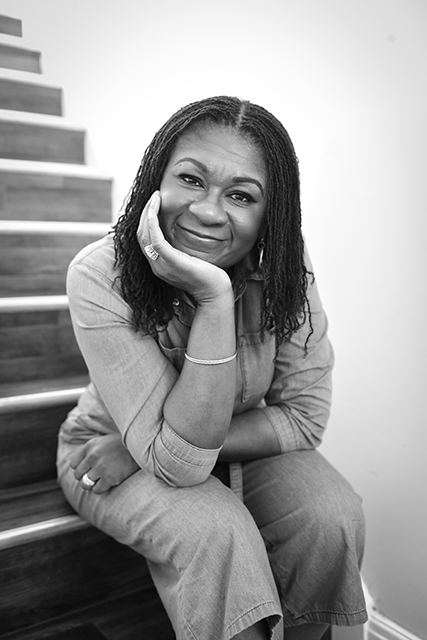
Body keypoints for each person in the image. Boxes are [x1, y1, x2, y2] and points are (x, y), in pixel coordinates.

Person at [57, 96, 367, 640]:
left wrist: (144, 448)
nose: (207, 210)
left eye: (241, 195)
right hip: (98, 449)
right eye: (192, 179)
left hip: (176, 446)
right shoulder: (101, 273)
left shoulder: (284, 266)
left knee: (332, 515)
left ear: (271, 214)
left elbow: (306, 418)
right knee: (217, 532)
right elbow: (177, 465)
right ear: (158, 176)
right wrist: (215, 299)